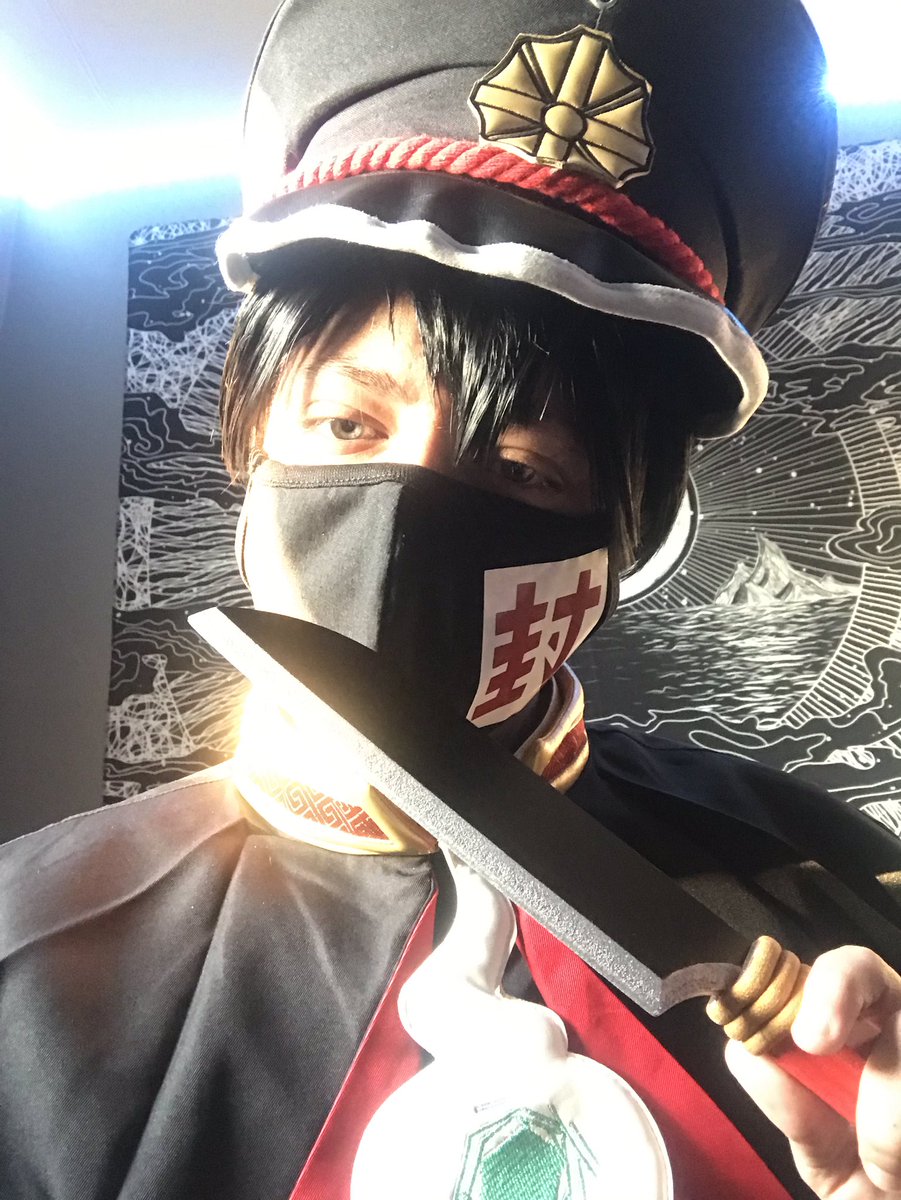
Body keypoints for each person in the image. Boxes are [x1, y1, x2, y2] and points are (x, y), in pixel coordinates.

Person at [0, 0, 899, 1198]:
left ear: (621, 541)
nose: (401, 516)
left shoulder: (835, 898)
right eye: (346, 425)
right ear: (249, 442)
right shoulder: (25, 968)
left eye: (523, 470)